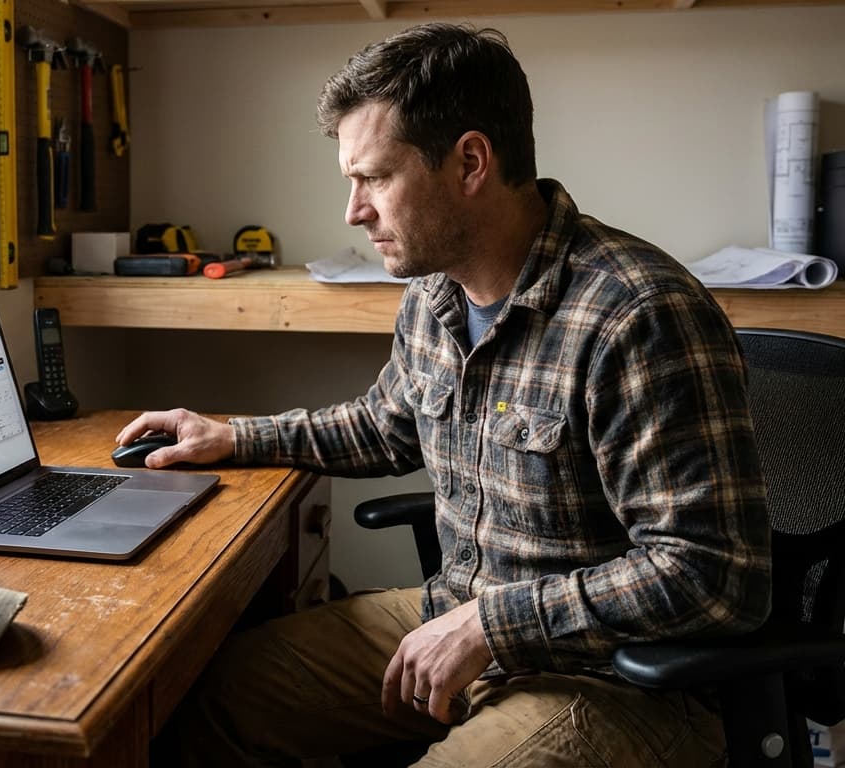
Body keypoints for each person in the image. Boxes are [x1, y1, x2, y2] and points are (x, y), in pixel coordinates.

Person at [120, 22, 772, 767]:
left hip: (612, 681)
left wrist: (493, 625)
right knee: (200, 697)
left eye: (375, 178)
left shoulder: (638, 315)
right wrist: (233, 436)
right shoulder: (437, 293)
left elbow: (714, 577)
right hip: (456, 620)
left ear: (469, 162)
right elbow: (386, 426)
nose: (354, 211)